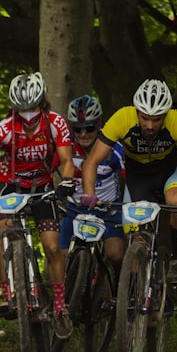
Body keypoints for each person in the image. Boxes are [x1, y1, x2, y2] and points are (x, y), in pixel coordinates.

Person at [79, 79, 177, 286]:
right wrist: (89, 194)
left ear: (166, 115)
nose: (150, 125)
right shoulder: (122, 118)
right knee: (134, 238)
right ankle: (135, 295)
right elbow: (92, 161)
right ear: (136, 111)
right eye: (145, 118)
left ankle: (176, 260)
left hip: (171, 171)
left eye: (157, 119)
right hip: (138, 176)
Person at [0, 73, 75, 335]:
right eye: (22, 110)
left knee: (52, 246)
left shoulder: (56, 123)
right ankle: (10, 293)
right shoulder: (6, 127)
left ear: (42, 104)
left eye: (32, 108)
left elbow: (66, 159)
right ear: (14, 109)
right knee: (5, 230)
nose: (27, 115)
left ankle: (59, 305)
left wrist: (66, 181)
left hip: (41, 185)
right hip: (8, 184)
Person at [60, 95, 127, 293]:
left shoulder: (114, 149)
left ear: (99, 125)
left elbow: (131, 177)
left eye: (89, 128)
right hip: (74, 208)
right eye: (77, 129)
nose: (83, 134)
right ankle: (62, 303)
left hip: (107, 210)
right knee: (59, 256)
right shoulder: (67, 148)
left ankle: (121, 291)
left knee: (115, 254)